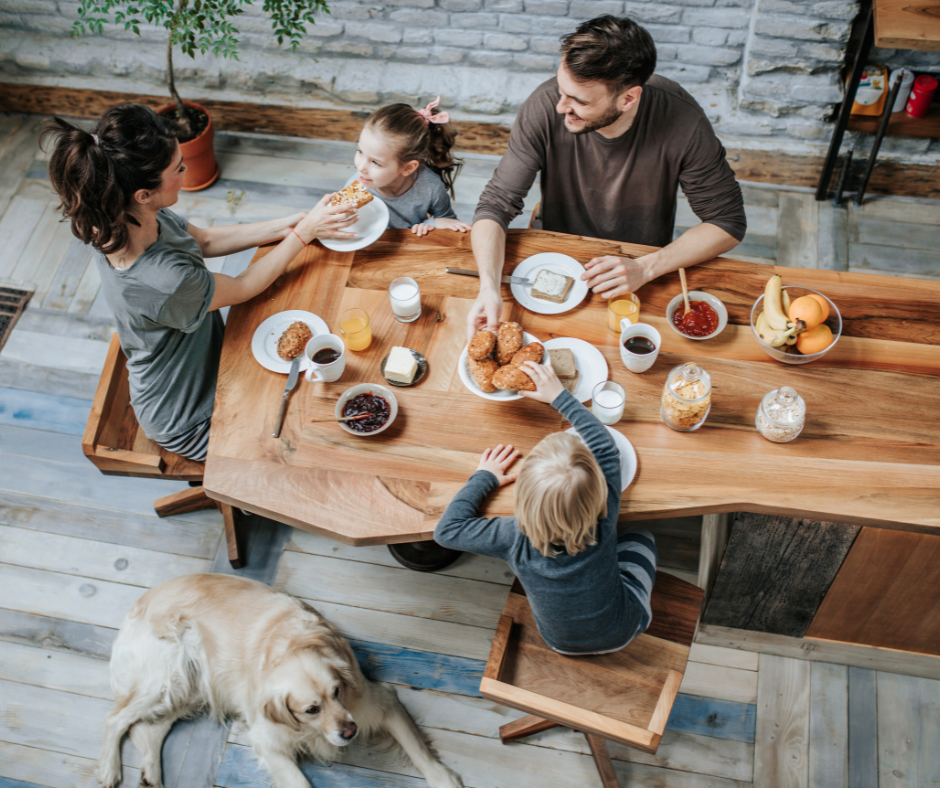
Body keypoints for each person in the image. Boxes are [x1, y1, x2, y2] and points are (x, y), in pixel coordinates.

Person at [41, 103, 359, 462]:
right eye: (178, 169)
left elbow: (204, 240)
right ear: (143, 194)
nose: (185, 169)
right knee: (307, 442)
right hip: (194, 417)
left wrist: (292, 223)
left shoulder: (125, 214)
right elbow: (242, 288)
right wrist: (303, 234)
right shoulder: (164, 280)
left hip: (210, 357)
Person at [467, 15, 747, 338]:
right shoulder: (543, 107)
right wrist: (488, 287)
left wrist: (646, 267)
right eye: (561, 90)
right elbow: (495, 206)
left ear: (628, 99)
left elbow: (727, 222)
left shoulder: (683, 120)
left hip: (641, 267)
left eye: (579, 101)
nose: (561, 107)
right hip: (557, 256)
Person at [434, 362, 657, 655]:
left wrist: (485, 477)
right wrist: (560, 396)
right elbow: (605, 446)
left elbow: (446, 532)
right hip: (626, 627)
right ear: (599, 491)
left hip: (559, 643)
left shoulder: (511, 536)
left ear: (523, 495)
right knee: (643, 536)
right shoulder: (605, 513)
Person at [354, 98, 471, 237]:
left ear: (408, 168)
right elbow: (342, 222)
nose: (361, 168)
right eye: (360, 151)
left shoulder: (430, 187)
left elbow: (450, 224)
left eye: (375, 162)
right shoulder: (359, 183)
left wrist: (430, 225)